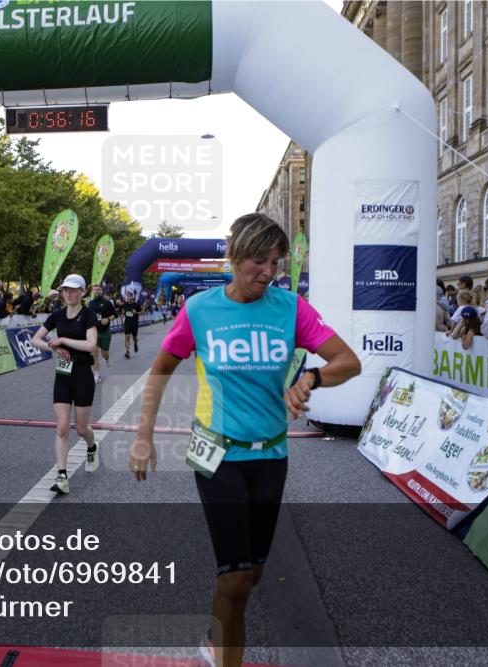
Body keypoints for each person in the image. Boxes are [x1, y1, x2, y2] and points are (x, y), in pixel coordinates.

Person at [128, 213, 361, 667]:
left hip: (272, 454)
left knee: (252, 574)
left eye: (275, 262)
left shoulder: (291, 308)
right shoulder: (200, 310)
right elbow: (160, 370)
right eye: (260, 260)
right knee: (233, 582)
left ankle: (217, 632)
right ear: (236, 257)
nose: (269, 272)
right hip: (216, 454)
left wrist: (312, 376)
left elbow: (348, 362)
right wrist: (143, 437)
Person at [31, 274, 99, 494]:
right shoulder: (57, 315)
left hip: (82, 375)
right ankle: (62, 476)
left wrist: (63, 340)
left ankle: (91, 446)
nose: (68, 294)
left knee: (80, 429)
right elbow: (35, 339)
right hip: (62, 373)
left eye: (73, 290)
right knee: (61, 426)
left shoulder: (88, 315)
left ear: (82, 292)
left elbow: (91, 346)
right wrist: (54, 348)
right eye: (65, 290)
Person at [88, 284, 117, 383]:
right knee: (94, 353)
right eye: (94, 290)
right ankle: (96, 375)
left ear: (101, 291)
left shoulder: (107, 303)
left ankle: (107, 359)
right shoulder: (90, 304)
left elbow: (114, 315)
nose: (96, 291)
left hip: (105, 331)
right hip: (94, 332)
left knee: (104, 353)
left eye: (98, 289)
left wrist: (108, 319)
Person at [121, 291, 142, 358]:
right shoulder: (125, 304)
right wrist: (123, 314)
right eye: (127, 295)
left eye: (130, 295)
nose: (128, 297)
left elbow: (141, 312)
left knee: (134, 338)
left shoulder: (136, 305)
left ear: (133, 297)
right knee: (127, 337)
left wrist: (136, 313)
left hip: (134, 324)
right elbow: (123, 312)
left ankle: (135, 343)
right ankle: (127, 352)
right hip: (127, 323)